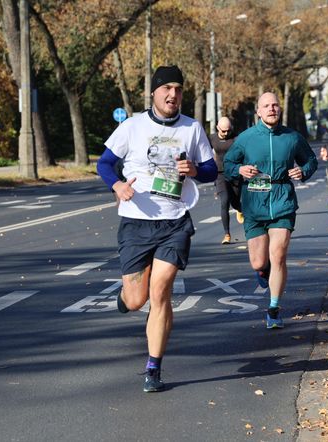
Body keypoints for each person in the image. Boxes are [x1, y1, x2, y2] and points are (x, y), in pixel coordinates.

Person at [96, 65, 217, 392]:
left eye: (178, 89)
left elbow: (210, 170)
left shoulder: (192, 129)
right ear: (154, 92)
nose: (173, 95)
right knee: (137, 300)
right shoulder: (133, 126)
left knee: (160, 290)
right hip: (136, 221)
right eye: (167, 89)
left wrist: (193, 169)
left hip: (174, 220)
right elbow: (105, 163)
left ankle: (153, 368)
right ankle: (126, 297)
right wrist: (117, 186)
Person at [224, 92, 317, 329]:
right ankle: (263, 271)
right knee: (258, 262)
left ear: (280, 108)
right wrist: (240, 170)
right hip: (254, 204)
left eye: (275, 105)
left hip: (282, 199)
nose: (271, 109)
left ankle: (274, 308)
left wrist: (302, 171)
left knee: (278, 255)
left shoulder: (292, 137)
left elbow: (310, 160)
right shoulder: (246, 138)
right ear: (258, 111)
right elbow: (228, 164)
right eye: (266, 106)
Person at [210, 116, 243, 244]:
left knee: (235, 202)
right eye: (223, 131)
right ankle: (227, 234)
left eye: (228, 131)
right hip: (219, 174)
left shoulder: (236, 138)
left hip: (235, 173)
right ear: (217, 128)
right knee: (225, 201)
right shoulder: (212, 138)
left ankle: (240, 209)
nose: (225, 134)